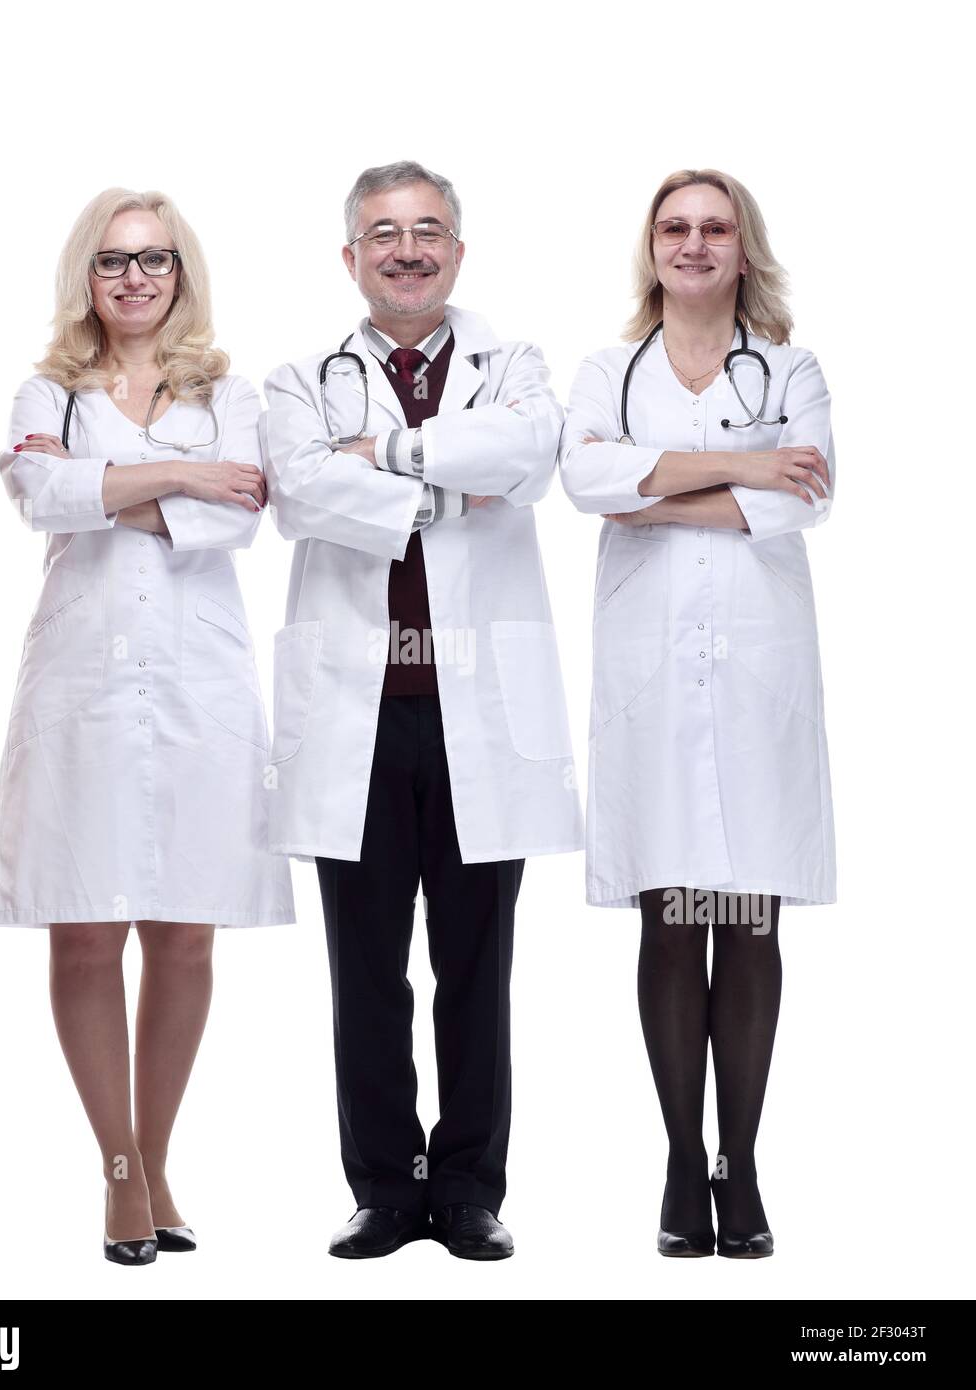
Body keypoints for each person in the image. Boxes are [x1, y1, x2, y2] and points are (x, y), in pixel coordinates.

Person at [263, 161, 583, 1260]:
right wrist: (454, 486)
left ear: (458, 249)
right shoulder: (301, 377)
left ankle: (468, 1188)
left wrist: (389, 461)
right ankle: (387, 1189)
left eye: (428, 231)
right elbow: (301, 493)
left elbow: (530, 455)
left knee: (476, 964)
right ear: (349, 256)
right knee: (364, 968)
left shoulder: (516, 366)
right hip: (359, 714)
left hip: (476, 711)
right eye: (384, 233)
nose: (407, 249)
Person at [0, 187, 295, 1266]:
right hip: (80, 680)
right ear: (88, 274)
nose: (134, 278)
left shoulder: (231, 392)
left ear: (181, 273)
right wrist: (175, 474)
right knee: (82, 924)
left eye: (154, 260)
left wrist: (111, 488)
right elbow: (40, 491)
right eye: (114, 261)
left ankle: (154, 1154)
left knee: (184, 925)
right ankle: (116, 1168)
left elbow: (243, 509)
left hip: (199, 684)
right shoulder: (50, 388)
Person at [558, 167, 836, 1259]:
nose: (692, 242)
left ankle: (743, 1159)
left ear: (741, 246)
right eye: (674, 226)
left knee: (749, 918)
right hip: (650, 674)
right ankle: (681, 1160)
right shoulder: (604, 370)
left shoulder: (791, 365)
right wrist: (738, 468)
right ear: (651, 248)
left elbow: (809, 490)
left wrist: (656, 490)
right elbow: (586, 483)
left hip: (759, 668)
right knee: (670, 914)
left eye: (713, 227)